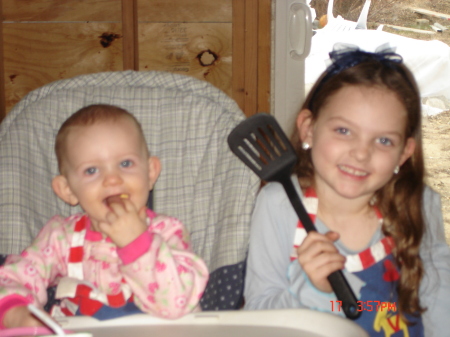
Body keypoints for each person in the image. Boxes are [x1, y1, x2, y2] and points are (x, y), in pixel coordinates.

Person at [243, 44, 450, 337]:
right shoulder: (279, 205)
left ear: (404, 153)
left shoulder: (417, 203)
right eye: (343, 131)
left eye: (384, 141)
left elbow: (440, 301)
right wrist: (312, 290)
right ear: (309, 129)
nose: (361, 153)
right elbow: (257, 320)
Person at [0, 104, 209, 328]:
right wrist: (17, 311)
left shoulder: (168, 232)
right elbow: (13, 277)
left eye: (125, 163)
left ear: (150, 173)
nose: (112, 179)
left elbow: (177, 304)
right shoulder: (62, 237)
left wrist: (136, 244)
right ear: (67, 189)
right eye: (92, 170)